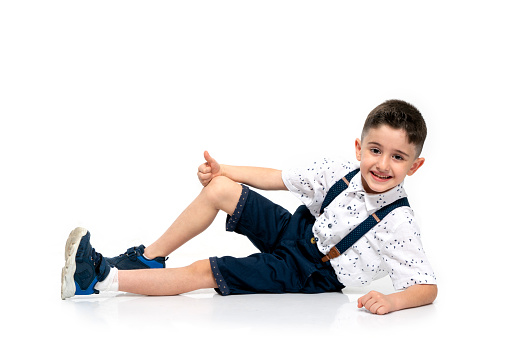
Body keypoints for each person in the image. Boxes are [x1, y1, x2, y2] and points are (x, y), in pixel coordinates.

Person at [61, 99, 437, 315]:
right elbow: (276, 177)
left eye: (398, 157)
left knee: (206, 270)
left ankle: (100, 281)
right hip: (295, 233)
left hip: (309, 273)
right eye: (375, 150)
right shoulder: (341, 172)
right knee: (223, 188)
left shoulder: (398, 221)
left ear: (414, 166)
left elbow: (427, 286)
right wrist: (224, 171)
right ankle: (148, 258)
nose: (383, 165)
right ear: (359, 148)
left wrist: (393, 300)